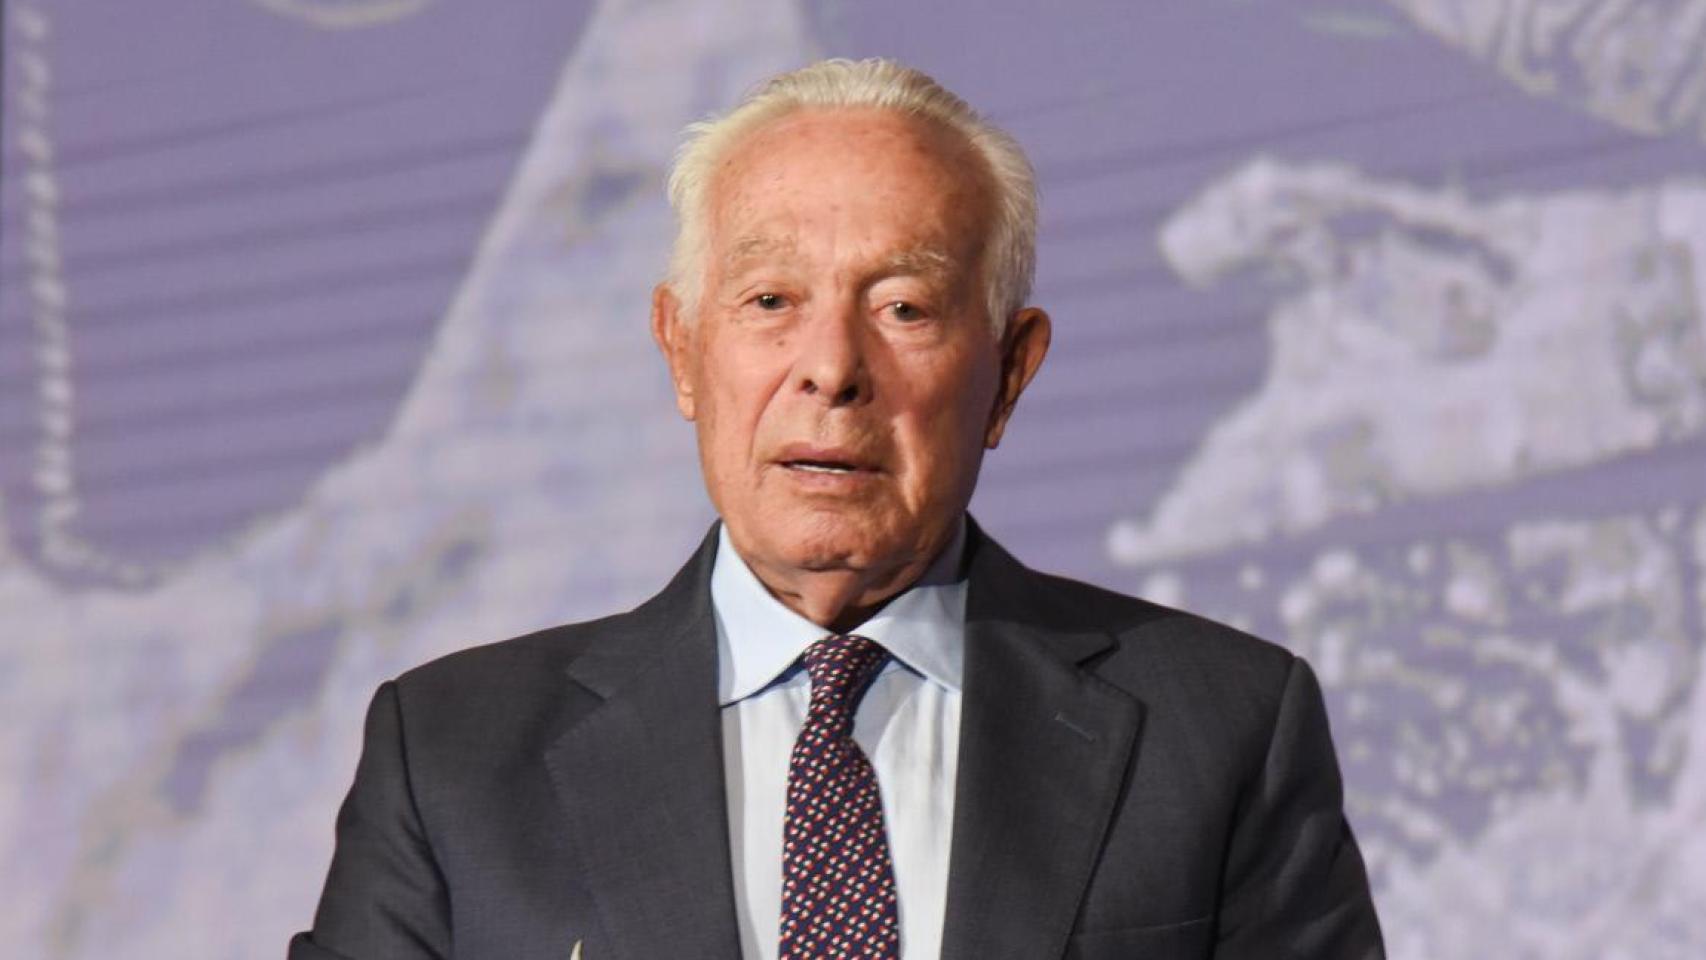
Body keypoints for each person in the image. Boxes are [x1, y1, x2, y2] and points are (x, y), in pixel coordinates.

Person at [290, 58, 1384, 960]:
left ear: (1009, 372)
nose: (831, 369)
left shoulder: (1219, 731)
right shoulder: (452, 758)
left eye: (903, 307)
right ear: (681, 351)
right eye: (770, 300)